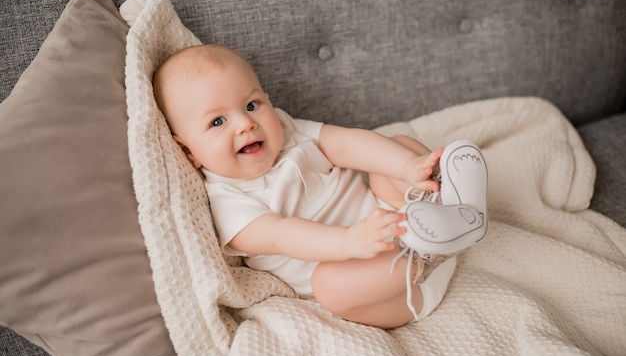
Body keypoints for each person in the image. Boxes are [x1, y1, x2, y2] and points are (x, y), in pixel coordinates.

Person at [152, 44, 488, 329]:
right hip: (390, 283)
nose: (246, 123)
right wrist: (349, 241)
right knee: (330, 288)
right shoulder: (228, 203)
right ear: (186, 151)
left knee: (392, 150)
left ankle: (452, 204)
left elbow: (347, 143)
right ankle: (427, 251)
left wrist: (408, 167)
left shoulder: (286, 130)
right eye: (218, 122)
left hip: (400, 216)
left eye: (252, 105)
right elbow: (283, 233)